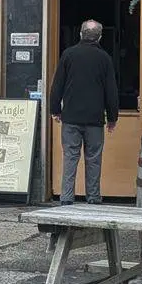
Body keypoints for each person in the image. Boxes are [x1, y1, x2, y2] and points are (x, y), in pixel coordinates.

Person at [50, 19, 119, 205]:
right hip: (95, 119)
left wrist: (55, 109)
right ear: (100, 37)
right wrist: (112, 117)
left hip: (71, 118)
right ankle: (94, 198)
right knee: (94, 159)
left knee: (70, 157)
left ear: (80, 34)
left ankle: (66, 198)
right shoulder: (105, 58)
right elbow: (111, 91)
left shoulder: (68, 55)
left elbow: (58, 85)